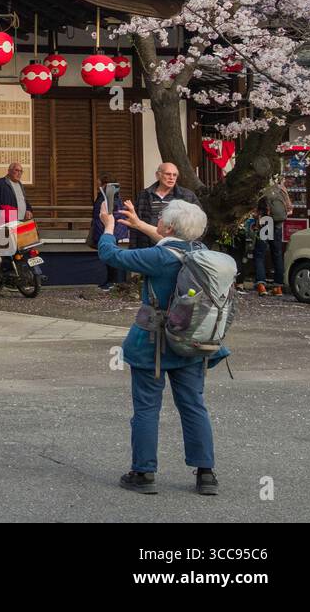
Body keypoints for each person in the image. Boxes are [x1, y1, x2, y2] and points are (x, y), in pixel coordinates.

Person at [96, 197, 227, 496]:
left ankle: (143, 473)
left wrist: (109, 226)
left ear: (168, 226)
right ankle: (206, 473)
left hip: (153, 343)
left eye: (161, 221)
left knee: (146, 408)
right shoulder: (202, 253)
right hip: (194, 340)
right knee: (194, 406)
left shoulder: (157, 259)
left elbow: (110, 255)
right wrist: (140, 224)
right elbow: (174, 245)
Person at [133, 162, 196, 250]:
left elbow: (199, 222)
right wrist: (133, 248)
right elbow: (135, 223)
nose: (171, 178)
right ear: (158, 175)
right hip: (147, 248)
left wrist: (189, 246)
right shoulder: (144, 194)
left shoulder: (187, 196)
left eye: (174, 175)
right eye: (168, 174)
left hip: (175, 249)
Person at [0, 161, 31, 277]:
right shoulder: (0, 182)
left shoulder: (20, 184)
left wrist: (29, 209)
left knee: (21, 249)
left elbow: (24, 201)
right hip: (4, 221)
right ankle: (5, 275)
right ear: (9, 171)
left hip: (19, 222)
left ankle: (20, 275)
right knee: (5, 250)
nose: (19, 173)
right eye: (16, 170)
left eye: (21, 171)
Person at [253, 179, 291, 296]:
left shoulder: (261, 190)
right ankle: (278, 287)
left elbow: (256, 209)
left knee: (259, 253)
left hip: (266, 222)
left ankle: (261, 285)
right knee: (277, 253)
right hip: (278, 223)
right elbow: (289, 209)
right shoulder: (280, 189)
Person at [91, 174, 127, 290]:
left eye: (99, 182)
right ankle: (110, 280)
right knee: (108, 256)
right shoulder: (106, 195)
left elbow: (114, 213)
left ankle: (113, 281)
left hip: (109, 228)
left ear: (105, 183)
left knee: (111, 256)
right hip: (106, 227)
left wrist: (107, 227)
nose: (97, 185)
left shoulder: (111, 196)